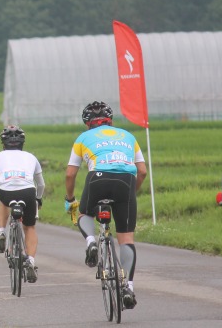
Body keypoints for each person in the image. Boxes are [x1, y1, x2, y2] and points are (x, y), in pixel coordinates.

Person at [65, 101, 147, 309]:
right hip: (126, 181)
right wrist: (131, 193)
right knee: (126, 238)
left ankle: (91, 241)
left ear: (87, 124)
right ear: (111, 120)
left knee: (84, 213)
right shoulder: (128, 136)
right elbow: (143, 171)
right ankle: (128, 286)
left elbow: (70, 173)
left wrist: (70, 198)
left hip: (97, 178)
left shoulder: (83, 138)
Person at [0, 125, 45, 283]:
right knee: (30, 227)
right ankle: (31, 262)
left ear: (3, 143)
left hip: (6, 193)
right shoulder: (31, 157)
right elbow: (41, 185)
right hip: (28, 192)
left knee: (3, 201)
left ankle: (1, 232)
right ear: (22, 143)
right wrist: (38, 198)